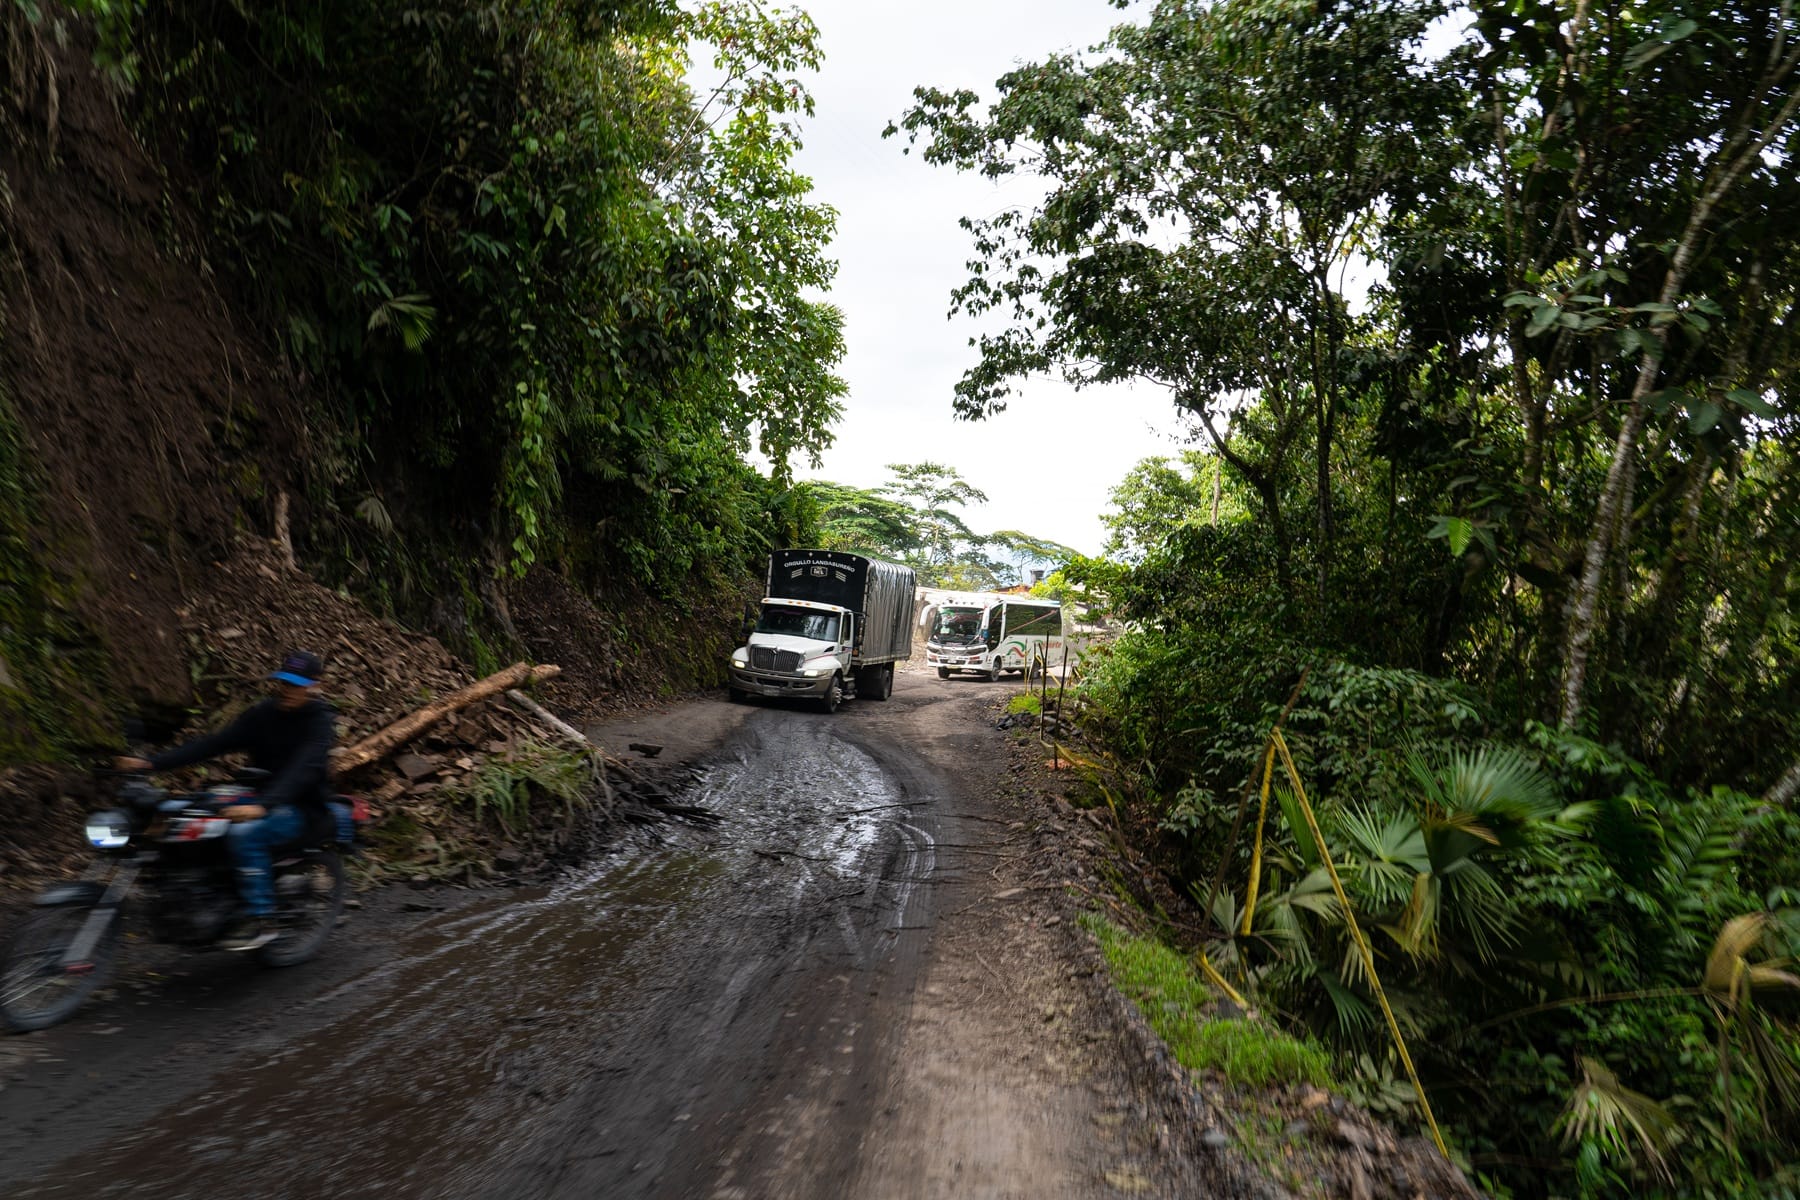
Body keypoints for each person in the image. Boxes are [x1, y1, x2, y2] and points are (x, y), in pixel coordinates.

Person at [116, 650, 336, 951]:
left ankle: (261, 920)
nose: (287, 690)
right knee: (181, 813)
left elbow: (303, 769)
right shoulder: (264, 714)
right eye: (284, 682)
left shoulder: (319, 723)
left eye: (296, 685)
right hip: (258, 795)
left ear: (314, 685)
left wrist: (263, 807)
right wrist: (152, 764)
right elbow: (213, 744)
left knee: (246, 834)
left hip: (301, 807)